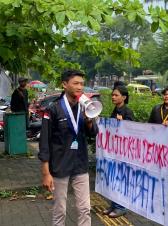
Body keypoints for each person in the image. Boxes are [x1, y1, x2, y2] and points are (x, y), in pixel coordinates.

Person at [38, 69, 98, 226]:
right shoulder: (53, 109)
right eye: (76, 83)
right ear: (64, 84)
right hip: (60, 164)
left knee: (85, 208)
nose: (80, 87)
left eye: (82, 84)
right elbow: (44, 141)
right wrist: (45, 172)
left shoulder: (85, 106)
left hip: (80, 164)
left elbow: (93, 134)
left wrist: (89, 121)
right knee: (60, 210)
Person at [102, 85, 134, 218]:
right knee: (113, 178)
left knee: (120, 179)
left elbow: (133, 131)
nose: (113, 97)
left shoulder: (127, 111)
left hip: (124, 152)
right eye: (112, 95)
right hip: (115, 150)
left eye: (116, 95)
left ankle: (121, 207)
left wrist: (124, 123)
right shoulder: (116, 110)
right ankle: (114, 205)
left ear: (124, 97)